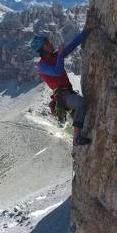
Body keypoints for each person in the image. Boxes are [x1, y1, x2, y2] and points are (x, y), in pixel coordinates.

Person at [30, 8, 98, 146]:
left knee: (82, 119)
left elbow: (73, 44)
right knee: (82, 103)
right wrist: (60, 55)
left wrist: (88, 30)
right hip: (62, 97)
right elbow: (57, 71)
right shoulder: (42, 65)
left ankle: (79, 141)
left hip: (66, 94)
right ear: (43, 49)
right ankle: (76, 140)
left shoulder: (54, 56)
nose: (51, 44)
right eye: (47, 44)